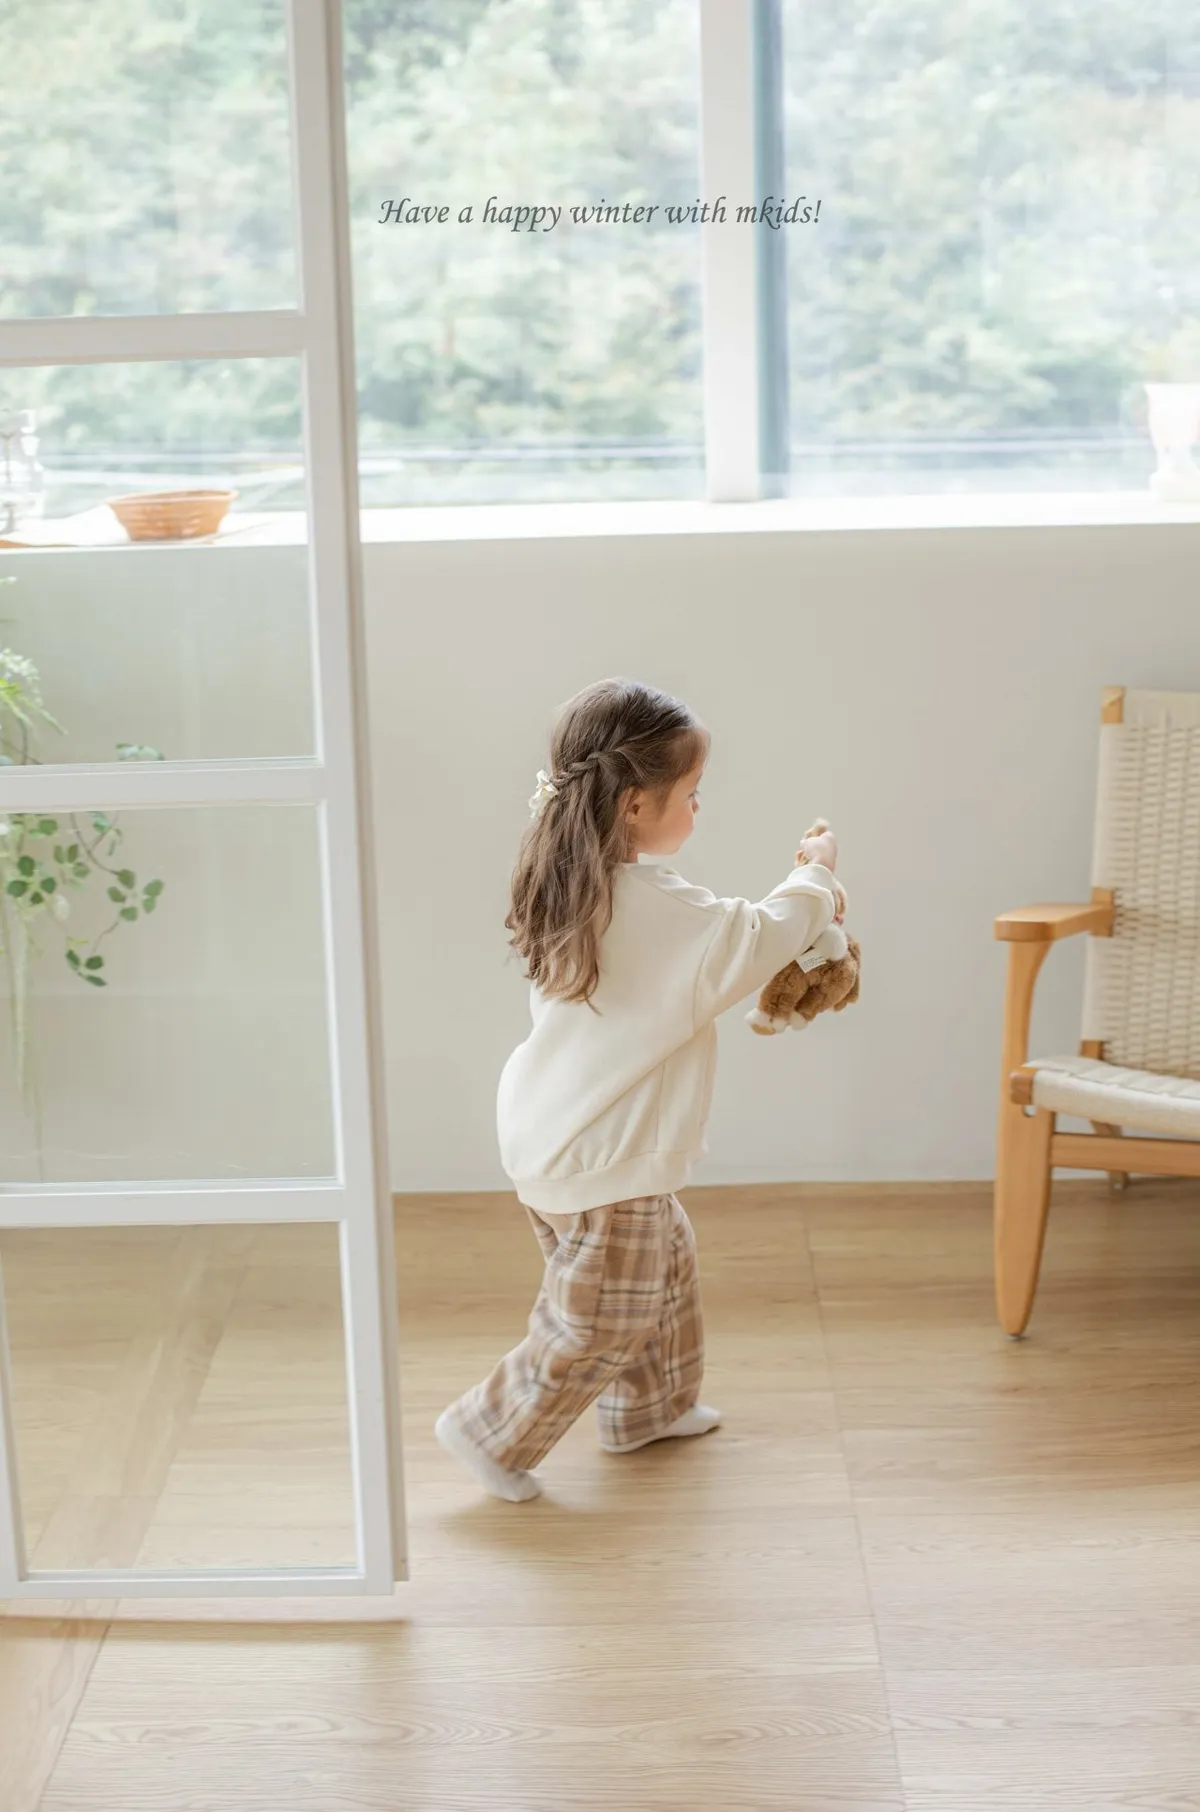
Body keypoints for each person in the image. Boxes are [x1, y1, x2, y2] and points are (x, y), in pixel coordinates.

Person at [435, 677, 845, 1502]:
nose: (699, 807)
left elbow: (724, 938)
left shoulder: (577, 882)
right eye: (691, 794)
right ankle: (490, 1431)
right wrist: (816, 879)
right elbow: (752, 940)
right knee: (598, 1318)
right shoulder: (647, 905)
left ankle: (649, 1408)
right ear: (633, 804)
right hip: (601, 1154)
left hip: (562, 1134)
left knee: (661, 1270)